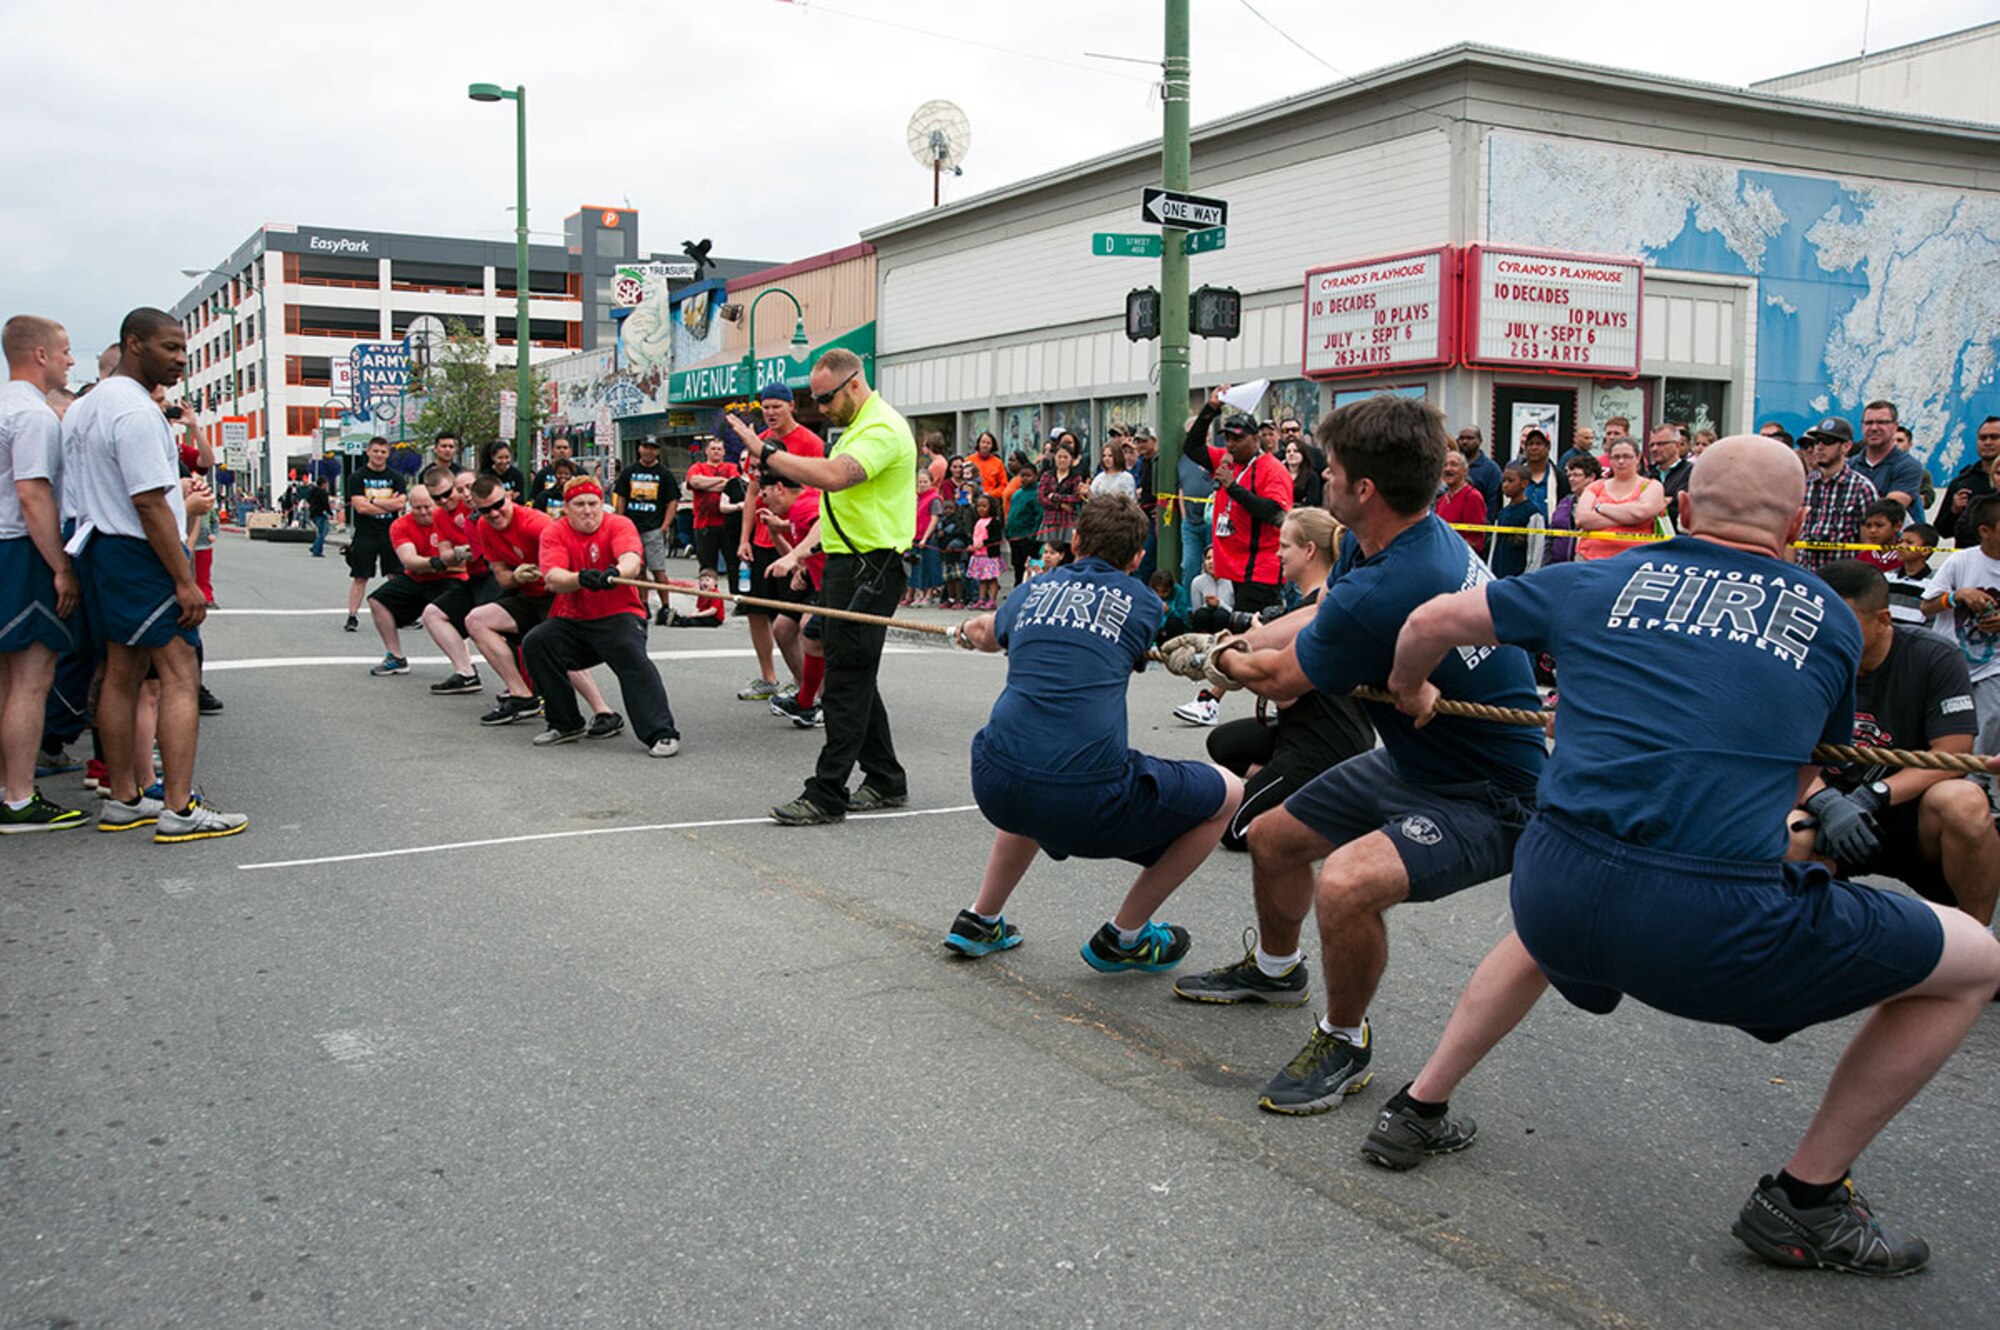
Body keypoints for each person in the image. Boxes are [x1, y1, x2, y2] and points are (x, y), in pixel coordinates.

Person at [1375, 435, 2000, 1277]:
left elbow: (1428, 621)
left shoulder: (1594, 578)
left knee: (1571, 889)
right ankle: (1805, 1202)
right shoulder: (1824, 616)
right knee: (1975, 959)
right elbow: (1806, 768)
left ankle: (1418, 1105)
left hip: (1552, 897)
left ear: (1686, 508)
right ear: (1799, 522)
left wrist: (1415, 686)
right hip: (1707, 929)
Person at [1161, 394, 1544, 1117]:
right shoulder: (1393, 541)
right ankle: (1277, 971)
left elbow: (1282, 679)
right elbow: (1318, 616)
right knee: (1274, 836)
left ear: (1363, 488)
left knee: (1346, 883)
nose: (1321, 481)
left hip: (1491, 790)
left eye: (1330, 471)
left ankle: (1344, 1038)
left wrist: (1218, 661)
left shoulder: (1394, 578)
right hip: (1415, 759)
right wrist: (1237, 643)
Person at [943, 496, 1246, 967]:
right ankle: (1126, 938)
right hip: (1085, 801)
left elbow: (986, 633)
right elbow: (1156, 640)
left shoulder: (1029, 591)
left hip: (993, 782)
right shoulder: (1145, 602)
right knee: (1229, 792)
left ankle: (980, 918)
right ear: (1137, 559)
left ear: (1075, 542)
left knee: (1036, 759)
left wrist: (963, 630)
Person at [63, 308, 245, 842]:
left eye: (183, 349)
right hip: (137, 550)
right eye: (170, 348)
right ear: (134, 344)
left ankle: (123, 797)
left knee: (120, 670)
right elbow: (148, 503)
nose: (180, 360)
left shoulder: (85, 407)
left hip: (96, 545)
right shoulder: (137, 413)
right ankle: (180, 808)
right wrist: (184, 579)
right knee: (180, 673)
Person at [1788, 561, 1997, 925]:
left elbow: (1955, 750)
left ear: (1883, 620)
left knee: (1964, 802)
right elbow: (1780, 745)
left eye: (1843, 623)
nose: (1827, 634)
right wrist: (1825, 801)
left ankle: (1979, 948)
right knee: (1789, 831)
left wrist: (1875, 794)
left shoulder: (1934, 656)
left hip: (1908, 811)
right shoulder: (1800, 658)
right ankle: (1792, 948)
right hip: (1827, 811)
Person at [759, 349, 917, 825]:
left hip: (871, 568)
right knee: (853, 670)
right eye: (814, 399)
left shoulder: (882, 428)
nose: (820, 408)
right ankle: (886, 778)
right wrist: (799, 554)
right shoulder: (856, 426)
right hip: (850, 565)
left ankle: (827, 792)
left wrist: (768, 452)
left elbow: (830, 478)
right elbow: (836, 510)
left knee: (845, 678)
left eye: (825, 399)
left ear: (852, 384)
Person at [1198, 508, 1372, 854]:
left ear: (1309, 550)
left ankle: (1337, 816)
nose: (1277, 553)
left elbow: (1284, 693)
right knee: (1224, 742)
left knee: (1235, 830)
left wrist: (1236, 661)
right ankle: (1297, 792)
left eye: (1284, 546)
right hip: (1302, 732)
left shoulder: (1317, 612)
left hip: (1324, 743)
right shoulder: (1311, 605)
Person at [522, 477, 680, 756]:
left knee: (631, 656)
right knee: (537, 643)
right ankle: (565, 723)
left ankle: (661, 732)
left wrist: (616, 573)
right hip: (573, 619)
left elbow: (631, 558)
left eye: (593, 503)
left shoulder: (619, 524)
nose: (587, 510)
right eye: (579, 504)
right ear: (566, 508)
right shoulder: (555, 532)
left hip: (619, 615)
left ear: (601, 505)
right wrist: (581, 578)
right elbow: (553, 578)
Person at [0, 315, 82, 832]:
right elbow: (34, 494)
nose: (71, 360)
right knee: (32, 679)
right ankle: (20, 797)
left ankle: (10, 787)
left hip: (6, 546)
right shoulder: (32, 416)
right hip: (21, 551)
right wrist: (61, 567)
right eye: (66, 350)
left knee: (8, 680)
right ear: (40, 355)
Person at [461, 476, 619, 731]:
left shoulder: (535, 524)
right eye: (484, 510)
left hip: (557, 595)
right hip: (527, 596)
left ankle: (604, 712)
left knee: (555, 647)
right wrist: (517, 575)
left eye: (498, 504)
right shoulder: (484, 527)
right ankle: (522, 695)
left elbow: (572, 559)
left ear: (509, 497)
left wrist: (553, 572)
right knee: (476, 620)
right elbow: (502, 579)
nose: (493, 513)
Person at [726, 384, 825, 701]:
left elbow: (820, 492)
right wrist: (745, 539)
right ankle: (773, 679)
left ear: (792, 406)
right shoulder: (762, 443)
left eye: (776, 407)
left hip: (802, 535)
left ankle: (812, 692)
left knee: (803, 622)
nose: (770, 413)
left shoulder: (810, 442)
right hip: (766, 537)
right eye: (765, 407)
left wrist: (795, 548)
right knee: (758, 609)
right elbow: (753, 492)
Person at [1918, 492, 2000, 804]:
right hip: (1952, 661)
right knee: (1945, 727)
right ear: (1985, 530)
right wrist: (1957, 596)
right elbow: (1926, 606)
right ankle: (1938, 782)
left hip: (1994, 665)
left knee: (1991, 720)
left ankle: (1978, 786)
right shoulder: (1961, 561)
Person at [1181, 392, 1292, 616]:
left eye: (1237, 439)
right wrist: (1211, 409)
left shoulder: (1273, 469)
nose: (1230, 445)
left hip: (1259, 571)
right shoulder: (1226, 459)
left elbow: (1275, 513)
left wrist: (1233, 489)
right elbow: (1192, 447)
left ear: (1255, 438)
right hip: (1230, 569)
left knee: (1251, 637)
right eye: (1227, 438)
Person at [361, 479, 469, 680]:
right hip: (419, 576)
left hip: (451, 578)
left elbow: (465, 559)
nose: (424, 512)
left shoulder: (449, 519)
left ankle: (465, 668)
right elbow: (409, 561)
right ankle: (396, 657)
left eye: (427, 507)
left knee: (450, 613)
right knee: (377, 600)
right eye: (417, 508)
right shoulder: (400, 525)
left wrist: (447, 562)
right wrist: (441, 561)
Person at [759, 471, 827, 729]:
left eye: (765, 494)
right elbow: (795, 552)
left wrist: (796, 560)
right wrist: (777, 532)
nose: (764, 500)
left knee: (810, 631)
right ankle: (805, 695)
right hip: (812, 576)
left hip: (833, 578)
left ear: (779, 488)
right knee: (783, 628)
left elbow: (824, 525)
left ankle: (818, 701)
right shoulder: (793, 515)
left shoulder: (806, 504)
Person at [610, 436, 683, 626]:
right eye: (645, 447)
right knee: (638, 570)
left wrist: (664, 526)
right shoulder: (629, 472)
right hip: (631, 528)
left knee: (658, 570)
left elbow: (672, 501)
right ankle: (643, 604)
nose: (649, 451)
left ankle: (665, 605)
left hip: (653, 528)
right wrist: (621, 520)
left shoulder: (664, 474)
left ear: (658, 451)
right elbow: (622, 497)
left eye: (653, 448)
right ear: (639, 449)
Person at [342, 437, 407, 631]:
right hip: (365, 534)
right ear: (368, 452)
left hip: (391, 533)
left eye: (383, 452)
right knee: (360, 577)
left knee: (395, 574)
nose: (379, 455)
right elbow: (360, 508)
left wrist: (371, 500)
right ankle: (352, 616)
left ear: (388, 454)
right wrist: (386, 504)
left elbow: (400, 504)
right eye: (376, 451)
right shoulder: (357, 477)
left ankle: (404, 613)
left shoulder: (396, 477)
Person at [1797, 416, 1878, 573]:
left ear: (1846, 446)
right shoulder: (1803, 484)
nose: (1819, 447)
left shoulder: (1862, 488)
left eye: (1827, 441)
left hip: (1843, 579)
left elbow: (1868, 543)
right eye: (1816, 441)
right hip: (1805, 575)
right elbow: (1792, 537)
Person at [1572, 438, 1665, 560]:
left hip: (1637, 560)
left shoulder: (1652, 486)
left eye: (1627, 456)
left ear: (1637, 458)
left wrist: (1601, 508)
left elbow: (1641, 512)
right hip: (1590, 558)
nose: (1621, 461)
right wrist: (1630, 517)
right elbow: (1581, 519)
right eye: (1616, 457)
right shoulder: (1595, 486)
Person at [1850, 400, 1924, 523]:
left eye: (1881, 422)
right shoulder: (1850, 466)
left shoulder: (1909, 466)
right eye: (1868, 422)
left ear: (1895, 427)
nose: (1874, 428)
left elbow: (1889, 511)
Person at [684, 437, 740, 587]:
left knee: (734, 564)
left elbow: (733, 485)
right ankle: (709, 601)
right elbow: (694, 481)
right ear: (707, 451)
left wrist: (705, 485)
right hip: (704, 524)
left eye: (719, 449)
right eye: (713, 448)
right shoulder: (697, 467)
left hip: (728, 524)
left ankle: (738, 599)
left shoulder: (731, 467)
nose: (716, 452)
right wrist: (720, 481)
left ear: (724, 452)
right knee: (707, 567)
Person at [1939, 416, 2000, 549]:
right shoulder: (1963, 482)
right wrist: (1954, 511)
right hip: (1971, 561)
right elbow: (1942, 531)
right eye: (1983, 438)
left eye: (1994, 437)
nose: (1988, 442)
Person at [1487, 463, 1546, 578]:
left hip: (1519, 575)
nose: (1505, 485)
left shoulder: (1532, 513)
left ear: (1524, 484)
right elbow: (1494, 546)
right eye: (1503, 481)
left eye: (1510, 481)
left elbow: (1536, 550)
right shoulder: (1502, 513)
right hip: (1498, 574)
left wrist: (1529, 577)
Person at [1035, 435, 1085, 552]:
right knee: (1049, 555)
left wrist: (1056, 497)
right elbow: (1041, 498)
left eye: (1065, 457)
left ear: (1071, 459)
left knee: (1067, 554)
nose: (1062, 460)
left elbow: (1077, 498)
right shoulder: (1047, 476)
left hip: (1068, 523)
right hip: (1050, 522)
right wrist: (1060, 505)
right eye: (1059, 457)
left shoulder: (1076, 477)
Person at [1545, 454, 1598, 565]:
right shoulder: (1564, 502)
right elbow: (1550, 536)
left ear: (1591, 477)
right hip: (1557, 567)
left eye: (1576, 475)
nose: (1571, 479)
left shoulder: (1601, 504)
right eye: (1569, 475)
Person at [1432, 449, 1486, 554]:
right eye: (1445, 465)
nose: (1448, 469)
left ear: (1465, 470)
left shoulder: (1472, 497)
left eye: (1454, 465)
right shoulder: (1442, 499)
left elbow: (1475, 540)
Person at [1886, 523, 1938, 627]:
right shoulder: (1887, 577)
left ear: (1926, 550)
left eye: (1909, 543)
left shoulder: (1934, 582)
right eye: (1899, 542)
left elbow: (1933, 619)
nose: (1901, 546)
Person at [1002, 458, 1042, 588]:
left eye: (1028, 476)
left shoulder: (1036, 494)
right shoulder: (1017, 494)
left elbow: (1039, 515)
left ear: (1036, 477)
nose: (1025, 479)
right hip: (1014, 536)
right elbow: (1011, 513)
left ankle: (1027, 587)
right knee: (1017, 564)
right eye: (1022, 475)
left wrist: (1033, 534)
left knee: (1028, 565)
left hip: (1028, 537)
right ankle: (1017, 586)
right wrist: (1007, 530)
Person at [1646, 424, 1693, 529]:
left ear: (1677, 445)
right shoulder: (1647, 475)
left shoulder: (1691, 472)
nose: (1654, 449)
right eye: (1651, 445)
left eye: (1661, 444)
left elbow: (1680, 504)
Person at [1454, 426, 1502, 519]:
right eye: (1461, 438)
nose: (1465, 442)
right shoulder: (1451, 466)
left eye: (1470, 438)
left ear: (1480, 441)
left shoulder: (1491, 469)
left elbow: (1493, 502)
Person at [1853, 499, 1907, 572]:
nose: (1872, 530)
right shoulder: (1863, 557)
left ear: (1897, 526)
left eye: (1879, 525)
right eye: (1868, 526)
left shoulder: (1905, 559)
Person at [527, 436, 580, 510]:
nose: (562, 451)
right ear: (552, 451)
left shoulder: (581, 473)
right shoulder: (542, 474)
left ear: (570, 451)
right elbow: (534, 498)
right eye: (558, 448)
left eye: (565, 448)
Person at [305, 474, 332, 557]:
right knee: (323, 532)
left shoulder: (312, 491)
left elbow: (308, 500)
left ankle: (315, 547)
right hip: (320, 513)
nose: (327, 485)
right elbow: (325, 504)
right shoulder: (322, 492)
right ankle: (316, 549)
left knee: (320, 532)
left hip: (313, 513)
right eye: (326, 484)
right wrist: (330, 512)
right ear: (323, 484)